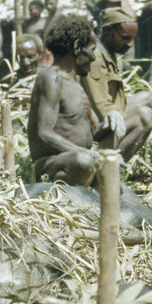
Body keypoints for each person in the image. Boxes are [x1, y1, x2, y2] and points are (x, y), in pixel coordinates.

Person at [28, 14, 103, 185]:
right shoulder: (51, 79)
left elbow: (95, 131)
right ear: (77, 47)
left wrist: (115, 119)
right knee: (83, 161)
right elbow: (44, 134)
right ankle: (60, 186)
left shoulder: (76, 84)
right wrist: (86, 153)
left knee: (140, 115)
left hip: (82, 161)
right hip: (52, 163)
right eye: (92, 50)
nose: (93, 57)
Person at [80, 6, 152, 160]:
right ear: (108, 31)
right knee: (144, 116)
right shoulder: (96, 57)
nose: (130, 44)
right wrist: (121, 115)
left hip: (108, 113)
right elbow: (100, 104)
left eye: (132, 39)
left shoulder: (109, 53)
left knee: (147, 97)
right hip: (95, 122)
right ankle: (105, 162)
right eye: (125, 38)